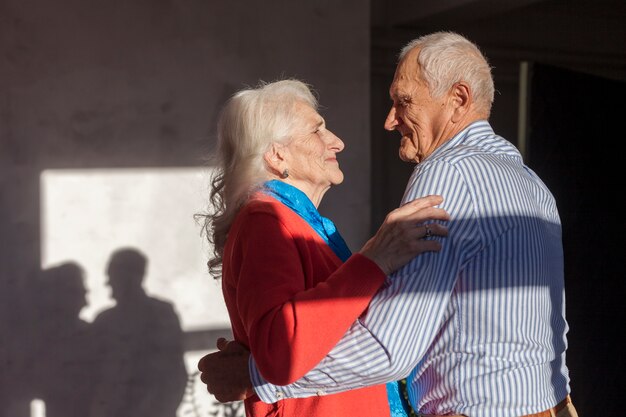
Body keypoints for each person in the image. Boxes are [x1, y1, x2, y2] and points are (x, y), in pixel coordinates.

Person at [197, 31, 579, 417]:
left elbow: (389, 347)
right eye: (317, 130)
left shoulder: (447, 171)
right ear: (277, 155)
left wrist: (254, 376)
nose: (389, 120)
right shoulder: (530, 181)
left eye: (403, 101)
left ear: (458, 99)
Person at [195, 78, 451, 417]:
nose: (337, 142)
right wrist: (374, 260)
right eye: (318, 131)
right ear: (277, 154)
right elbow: (282, 347)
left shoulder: (297, 221)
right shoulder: (265, 219)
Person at [89, 248, 188, 417]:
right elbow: (94, 377)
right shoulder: (104, 322)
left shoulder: (161, 314)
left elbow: (172, 372)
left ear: (133, 276)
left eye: (114, 276)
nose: (109, 283)